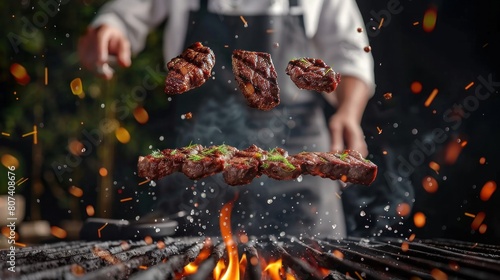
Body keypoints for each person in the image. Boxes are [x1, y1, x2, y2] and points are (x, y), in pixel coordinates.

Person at [78, 0, 375, 238]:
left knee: (310, 265)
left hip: (298, 167)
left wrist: (348, 112)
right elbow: (124, 14)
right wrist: (109, 28)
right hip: (201, 169)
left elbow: (351, 50)